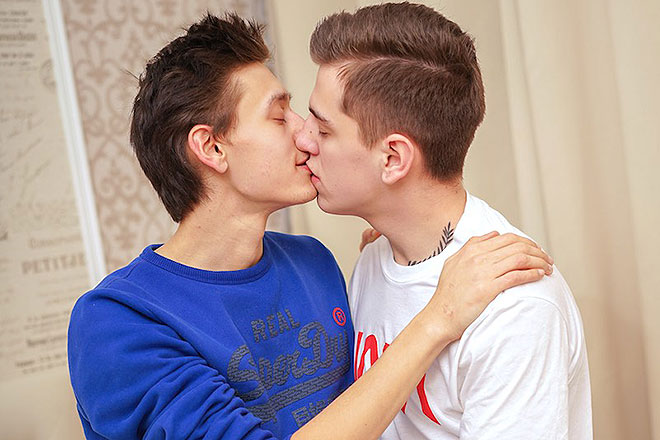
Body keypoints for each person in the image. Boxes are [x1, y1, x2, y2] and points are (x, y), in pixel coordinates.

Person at [67, 12, 554, 440]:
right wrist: (436, 318)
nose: (305, 133)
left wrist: (405, 253)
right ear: (212, 147)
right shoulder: (117, 322)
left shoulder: (313, 264)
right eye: (279, 117)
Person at [295, 2, 592, 439]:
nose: (302, 138)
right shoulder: (377, 258)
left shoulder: (515, 308)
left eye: (323, 130)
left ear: (393, 158)